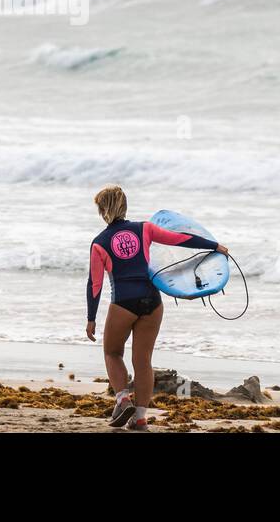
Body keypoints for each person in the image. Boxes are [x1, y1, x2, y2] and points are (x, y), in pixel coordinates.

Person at [85, 185, 227, 431]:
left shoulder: (99, 243)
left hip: (123, 302)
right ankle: (140, 417)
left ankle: (123, 398)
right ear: (124, 206)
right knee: (143, 361)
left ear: (102, 210)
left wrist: (91, 319)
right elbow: (181, 239)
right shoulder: (145, 229)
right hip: (152, 301)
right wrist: (214, 246)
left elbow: (94, 284)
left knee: (112, 353)